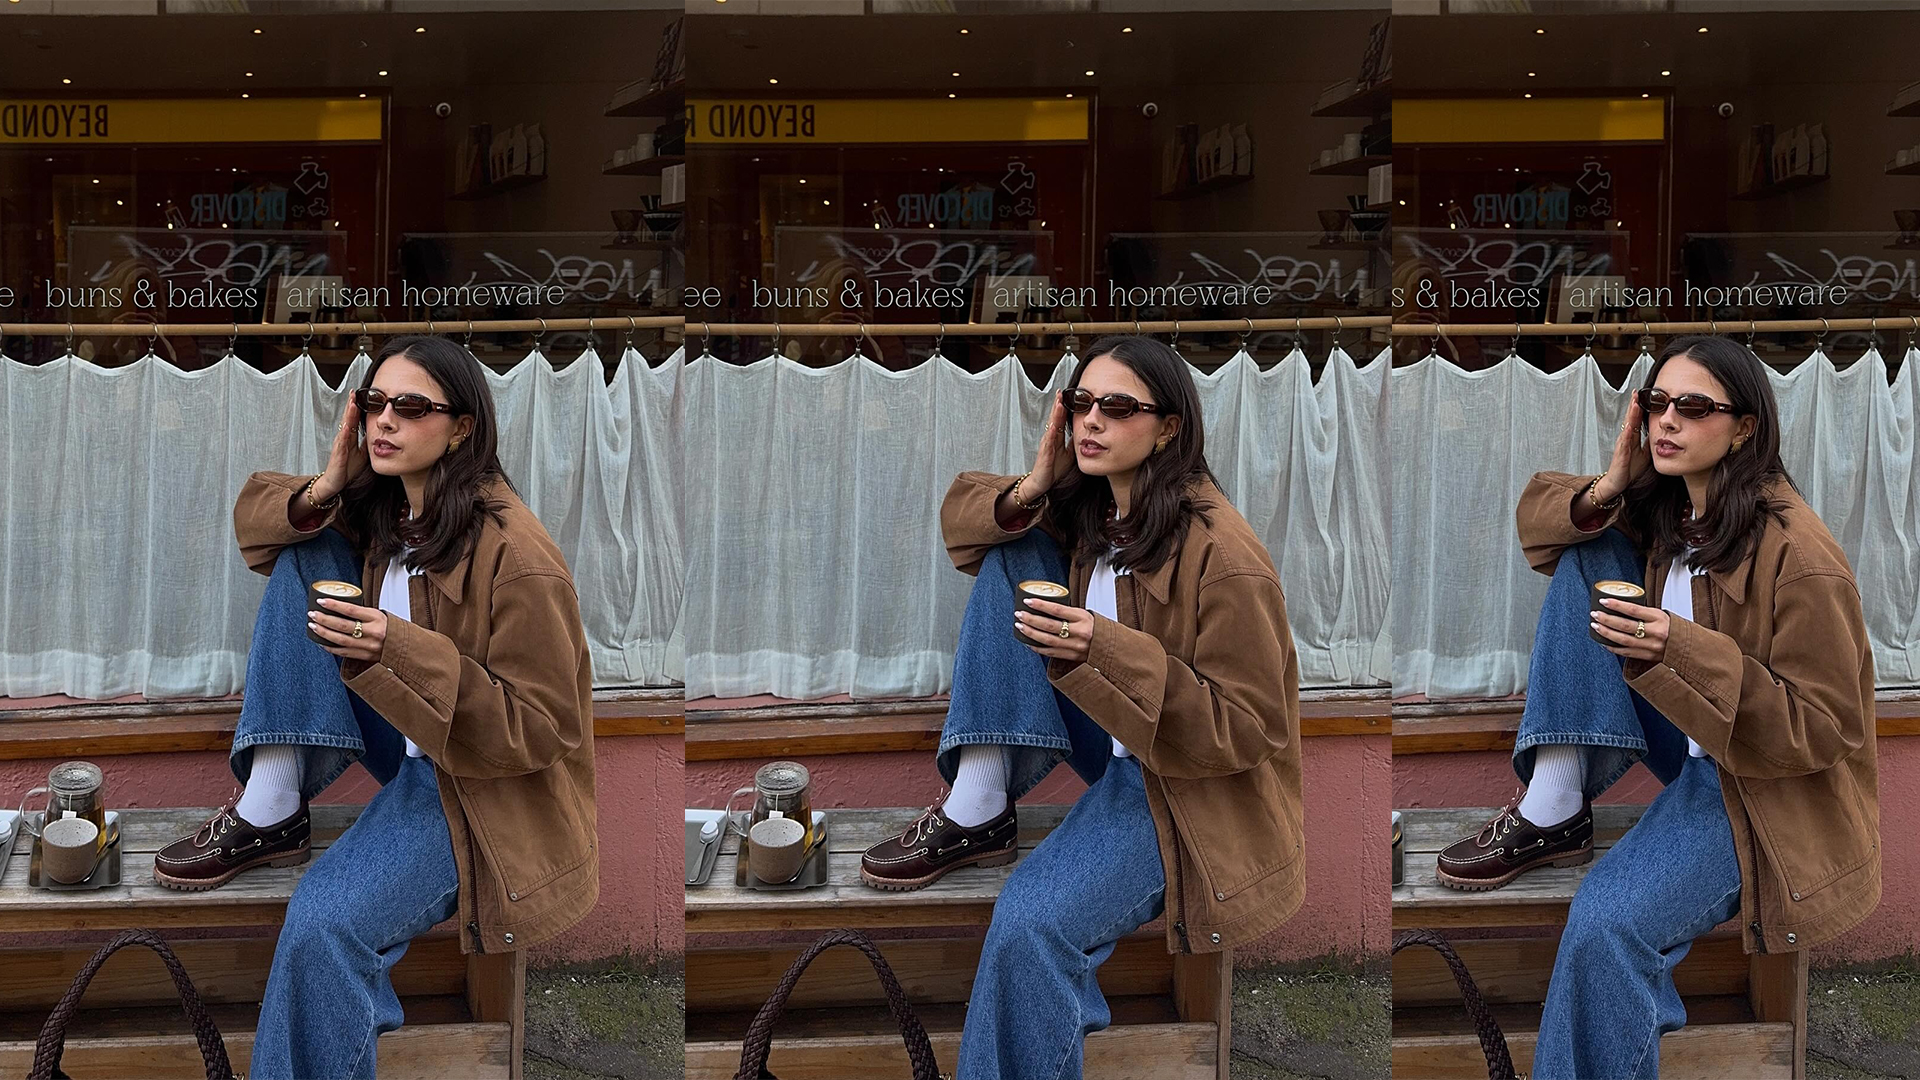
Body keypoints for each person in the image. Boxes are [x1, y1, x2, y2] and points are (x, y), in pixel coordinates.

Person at [151, 335, 599, 1079]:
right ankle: (272, 803)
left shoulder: (517, 557)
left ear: (462, 428)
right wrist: (329, 485)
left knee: (323, 926)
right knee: (304, 551)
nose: (385, 421)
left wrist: (396, 646)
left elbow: (542, 728)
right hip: (410, 740)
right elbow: (259, 527)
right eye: (374, 403)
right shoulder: (391, 505)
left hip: (475, 792)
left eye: (412, 407)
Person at [857, 335, 1303, 1080]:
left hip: (1185, 794)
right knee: (1010, 546)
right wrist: (1035, 486)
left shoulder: (1225, 556)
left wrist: (1104, 647)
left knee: (1030, 925)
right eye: (1080, 404)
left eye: (1118, 407)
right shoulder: (1097, 504)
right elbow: (964, 526)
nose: (1091, 421)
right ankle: (979, 804)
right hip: (1117, 741)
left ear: (1168, 428)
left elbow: (1249, 729)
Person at [1433, 335, 1879, 1079]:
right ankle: (1555, 803)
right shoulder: (1673, 506)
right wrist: (1611, 485)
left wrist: (1680, 647)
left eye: (1694, 407)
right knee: (1587, 547)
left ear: (1743, 428)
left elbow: (1824, 728)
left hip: (1758, 792)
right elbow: (1540, 524)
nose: (1667, 421)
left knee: (1606, 926)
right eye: (1656, 404)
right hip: (1692, 741)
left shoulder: (1800, 556)